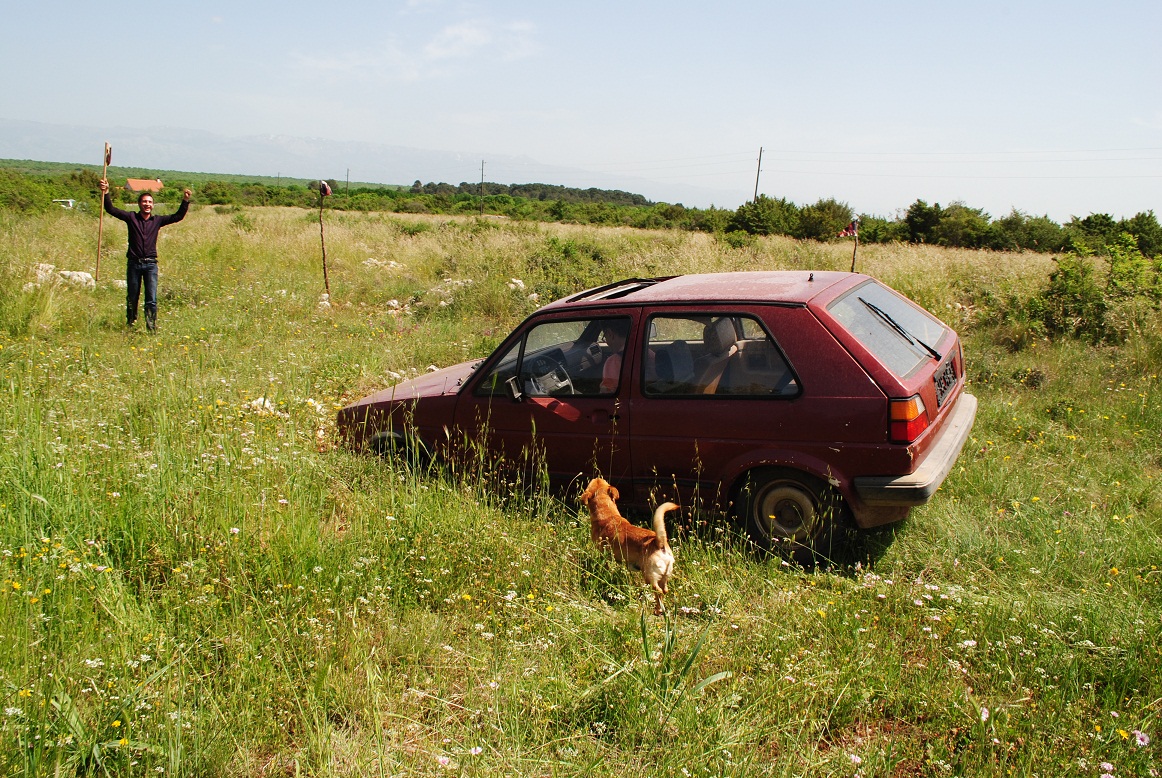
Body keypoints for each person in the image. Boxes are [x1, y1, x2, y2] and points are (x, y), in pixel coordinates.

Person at [100, 178, 192, 331]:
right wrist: (106, 191)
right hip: (134, 264)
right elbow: (111, 209)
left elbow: (177, 217)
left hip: (150, 265)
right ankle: (131, 325)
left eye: (149, 202)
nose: (147, 204)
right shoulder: (131, 218)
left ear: (153, 205)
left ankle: (151, 327)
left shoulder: (157, 220)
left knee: (151, 299)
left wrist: (185, 201)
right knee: (132, 297)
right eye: (144, 202)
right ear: (139, 204)